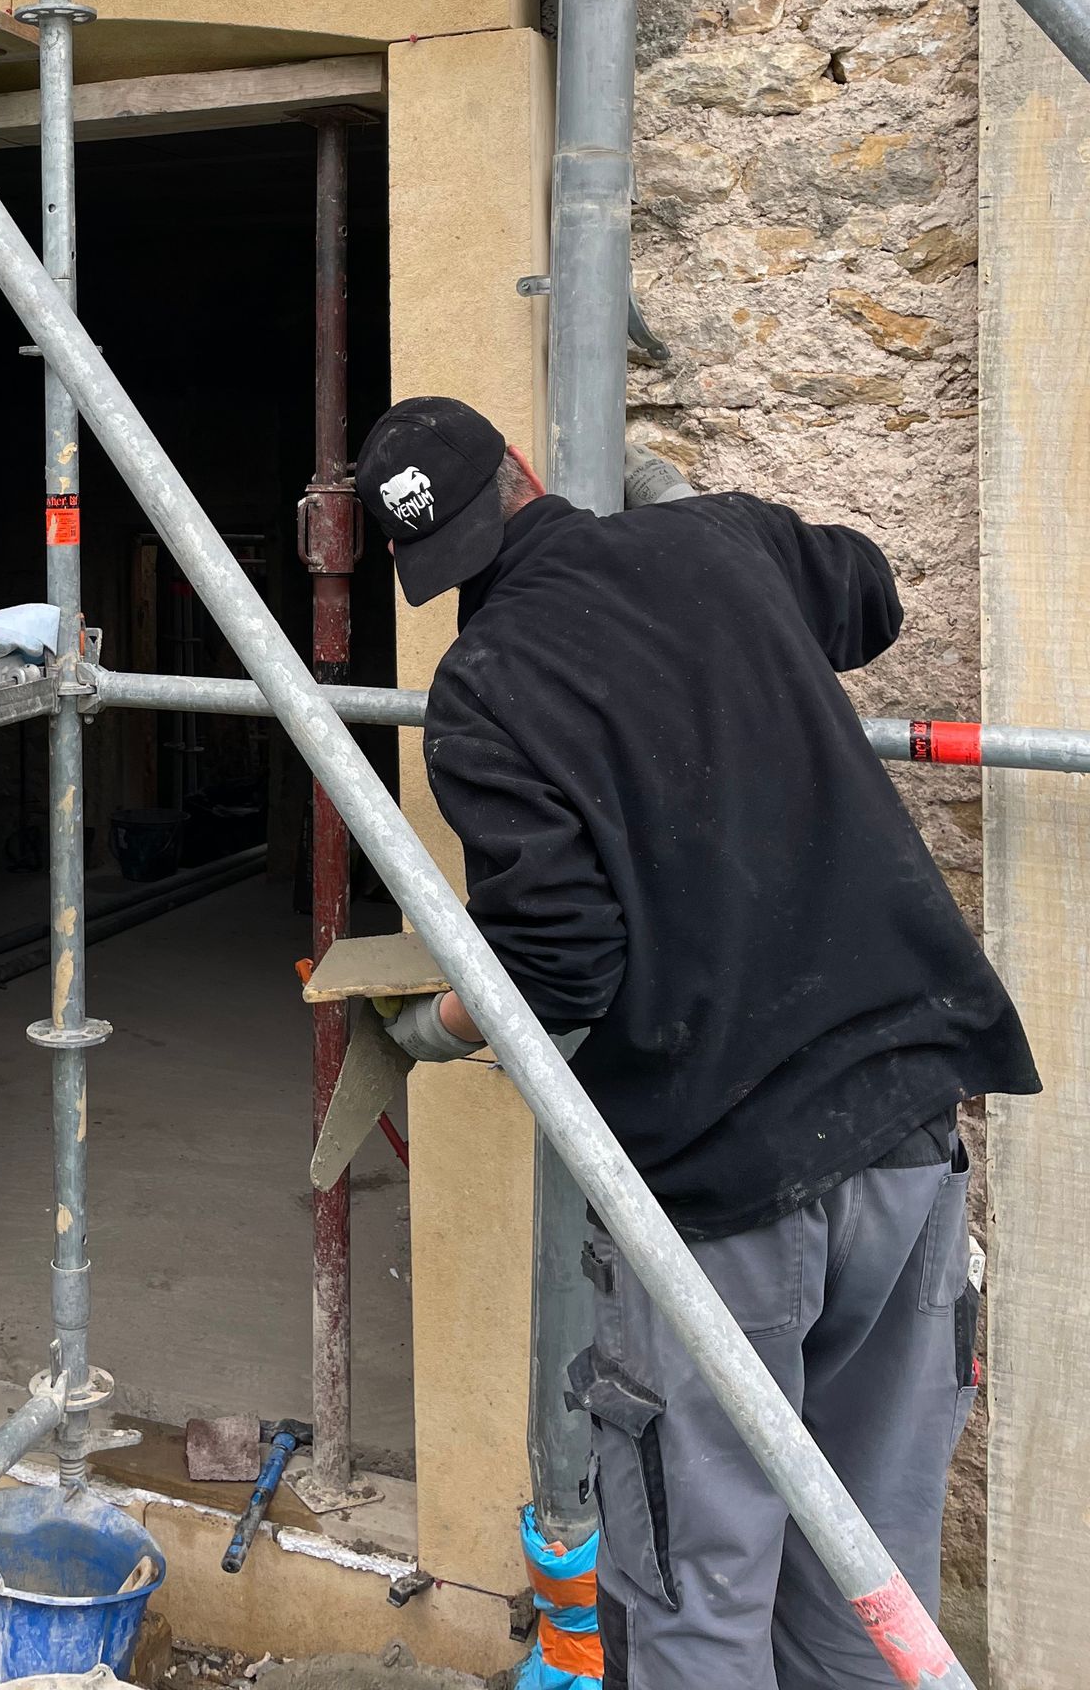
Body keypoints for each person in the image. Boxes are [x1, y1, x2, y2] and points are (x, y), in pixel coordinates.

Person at [352, 395, 1039, 1690]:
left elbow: (563, 963)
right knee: (869, 1577)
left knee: (701, 1598)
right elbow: (872, 597)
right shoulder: (721, 541)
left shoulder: (483, 690)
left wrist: (435, 1026)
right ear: (527, 473)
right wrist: (707, 540)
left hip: (725, 1202)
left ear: (440, 565)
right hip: (906, 1140)